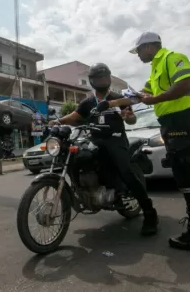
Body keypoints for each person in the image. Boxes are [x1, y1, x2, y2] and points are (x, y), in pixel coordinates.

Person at [123, 31, 190, 252]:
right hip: (171, 124)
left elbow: (187, 84)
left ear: (149, 47)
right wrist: (119, 104)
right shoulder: (155, 69)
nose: (138, 55)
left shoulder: (173, 58)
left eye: (138, 50)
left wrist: (154, 99)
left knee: (189, 177)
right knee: (189, 176)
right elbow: (141, 95)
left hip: (181, 122)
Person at [48, 63, 159, 236]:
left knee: (127, 172)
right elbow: (76, 116)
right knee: (80, 157)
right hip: (95, 140)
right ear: (92, 81)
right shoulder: (88, 102)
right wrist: (59, 121)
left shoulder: (117, 98)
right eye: (99, 78)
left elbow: (131, 120)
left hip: (116, 140)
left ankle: (150, 213)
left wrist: (129, 117)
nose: (102, 81)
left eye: (105, 77)